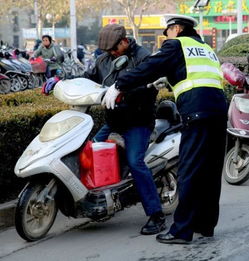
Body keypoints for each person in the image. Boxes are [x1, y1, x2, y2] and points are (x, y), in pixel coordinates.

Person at [102, 14, 228, 244]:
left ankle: (181, 231)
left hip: (196, 111)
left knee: (189, 171)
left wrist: (119, 85)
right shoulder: (205, 48)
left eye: (167, 32)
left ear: (177, 28)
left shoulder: (177, 44)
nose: (165, 37)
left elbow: (150, 66)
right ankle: (206, 225)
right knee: (210, 173)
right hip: (219, 112)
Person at [83, 23, 166, 235]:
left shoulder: (143, 57)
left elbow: (150, 89)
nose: (110, 54)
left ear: (124, 41)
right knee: (88, 152)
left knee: (135, 162)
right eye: (107, 51)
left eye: (113, 49)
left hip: (138, 122)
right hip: (114, 121)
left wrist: (125, 92)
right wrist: (58, 83)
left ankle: (156, 216)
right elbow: (87, 79)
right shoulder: (104, 59)